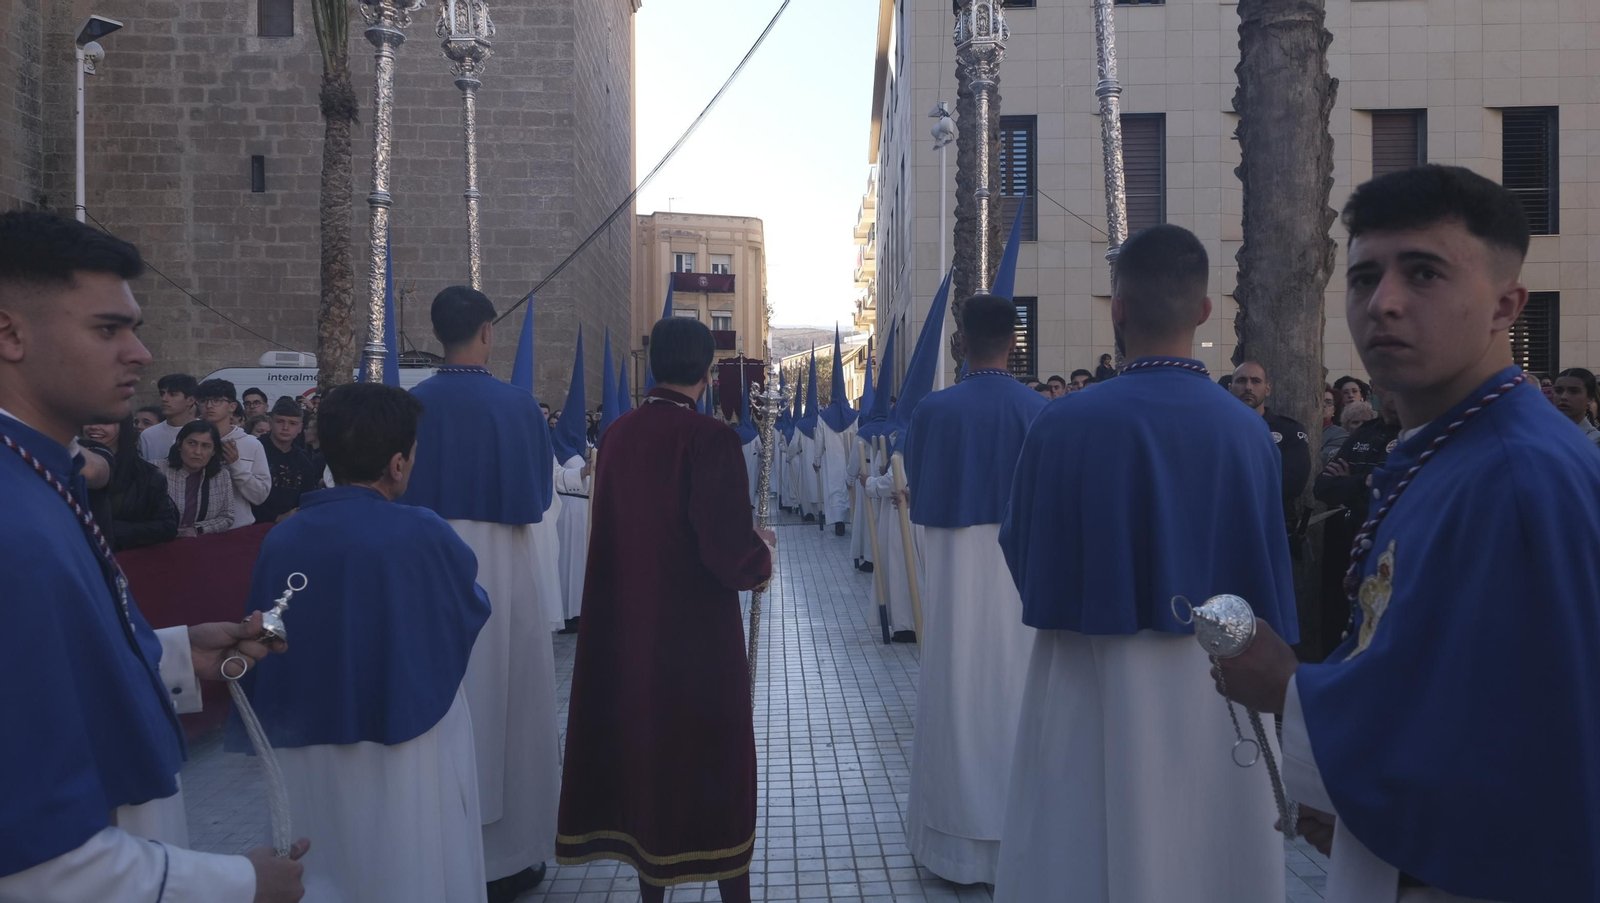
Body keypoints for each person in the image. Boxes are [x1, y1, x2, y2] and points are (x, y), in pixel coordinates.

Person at [1219, 165, 1600, 902]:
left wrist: (1290, 690)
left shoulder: (1521, 475)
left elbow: (1547, 733)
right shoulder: (1449, 444)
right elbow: (1437, 673)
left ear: (1505, 306)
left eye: (1423, 273)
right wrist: (1353, 797)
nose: (1383, 303)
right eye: (1364, 278)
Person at [0, 209, 305, 901]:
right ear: (9, 332)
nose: (140, 352)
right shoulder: (11, 519)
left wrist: (173, 656)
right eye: (109, 329)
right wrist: (244, 882)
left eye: (133, 327)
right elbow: (35, 860)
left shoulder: (38, 469)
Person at [994, 223, 1297, 903]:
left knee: (1083, 841)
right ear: (1205, 311)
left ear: (1118, 308)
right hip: (1225, 680)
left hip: (1088, 672)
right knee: (1214, 851)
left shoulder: (1061, 422)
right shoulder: (1250, 431)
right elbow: (1270, 562)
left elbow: (1020, 547)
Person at [232, 381, 491, 903]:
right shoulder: (421, 530)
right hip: (403, 730)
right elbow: (468, 607)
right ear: (398, 464)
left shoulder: (283, 536)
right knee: (409, 856)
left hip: (305, 737)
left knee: (321, 859)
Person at [558, 317, 774, 903]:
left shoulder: (620, 434)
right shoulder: (711, 440)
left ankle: (651, 886)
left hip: (629, 629)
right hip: (697, 642)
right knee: (716, 761)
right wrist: (763, 555)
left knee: (646, 750)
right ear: (708, 371)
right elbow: (726, 550)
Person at [399, 285, 562, 903]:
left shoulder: (408, 405)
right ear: (488, 332)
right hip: (505, 561)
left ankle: (444, 850)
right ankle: (514, 855)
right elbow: (541, 496)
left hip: (426, 561)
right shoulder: (517, 405)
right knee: (514, 701)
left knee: (445, 702)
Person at [901, 294, 1047, 884]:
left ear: (959, 344)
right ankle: (1020, 838)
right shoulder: (1041, 411)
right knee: (1017, 689)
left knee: (955, 686)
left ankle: (951, 844)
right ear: (1014, 343)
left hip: (955, 568)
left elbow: (915, 481)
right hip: (1022, 573)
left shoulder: (933, 413)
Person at [1230, 360, 1312, 523]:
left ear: (1267, 389)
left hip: (1273, 522)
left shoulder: (1289, 430)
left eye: (1255, 381)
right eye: (1241, 380)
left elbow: (1292, 484)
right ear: (1230, 388)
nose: (1248, 387)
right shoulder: (1218, 429)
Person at [82, 414, 178, 551]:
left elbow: (167, 527)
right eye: (88, 420)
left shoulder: (148, 476)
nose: (94, 427)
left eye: (105, 421)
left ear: (123, 427)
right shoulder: (63, 465)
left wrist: (113, 529)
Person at [194, 378, 271, 529]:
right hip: (195, 529)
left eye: (216, 400)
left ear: (232, 406)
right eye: (204, 400)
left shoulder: (252, 444)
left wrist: (236, 465)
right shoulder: (188, 440)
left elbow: (259, 496)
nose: (209, 406)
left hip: (238, 529)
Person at [159, 419, 236, 537]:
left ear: (214, 451)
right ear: (179, 444)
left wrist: (198, 529)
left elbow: (227, 517)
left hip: (199, 545)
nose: (198, 452)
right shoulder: (156, 471)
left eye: (206, 446)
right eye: (192, 443)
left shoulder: (221, 475)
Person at [253, 396, 323, 524]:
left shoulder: (303, 461)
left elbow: (306, 497)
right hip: (252, 527)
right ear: (270, 422)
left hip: (290, 526)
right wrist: (276, 517)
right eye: (280, 421)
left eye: (292, 423)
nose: (285, 427)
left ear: (300, 427)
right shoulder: (254, 450)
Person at [138, 371, 198, 461]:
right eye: (162, 394)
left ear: (190, 400)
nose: (164, 399)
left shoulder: (205, 432)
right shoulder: (148, 435)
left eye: (172, 394)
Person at [1552, 367, 1600, 448]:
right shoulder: (1541, 433)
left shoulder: (1595, 441)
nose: (1563, 397)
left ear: (1590, 397)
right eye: (1558, 391)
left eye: (1574, 391)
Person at [1319, 386, 1347, 466]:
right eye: (1319, 401)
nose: (1323, 405)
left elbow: (1323, 459)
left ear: (1334, 410)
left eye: (1328, 402)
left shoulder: (1339, 434)